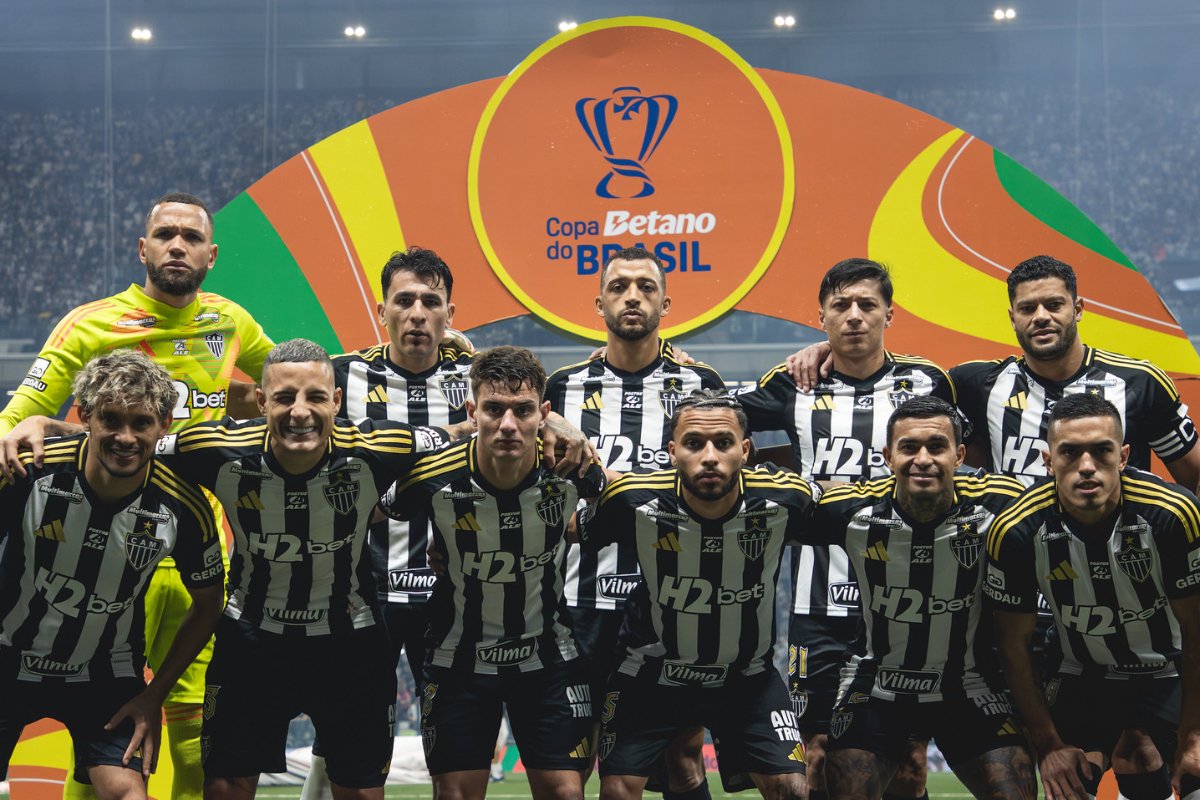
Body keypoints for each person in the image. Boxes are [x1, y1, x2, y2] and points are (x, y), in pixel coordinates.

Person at [0, 192, 273, 800]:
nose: (178, 245)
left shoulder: (232, 322)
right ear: (142, 248)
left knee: (194, 741)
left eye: (191, 237)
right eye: (166, 234)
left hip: (197, 549)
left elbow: (295, 383)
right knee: (101, 733)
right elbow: (15, 424)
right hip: (109, 563)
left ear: (211, 254)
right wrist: (40, 426)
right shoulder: (90, 323)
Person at [156, 338, 447, 799]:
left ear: (335, 401)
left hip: (350, 643)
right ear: (261, 401)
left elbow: (468, 445)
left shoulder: (380, 446)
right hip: (252, 641)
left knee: (360, 790)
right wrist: (36, 424)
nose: (300, 412)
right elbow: (120, 445)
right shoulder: (215, 447)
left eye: (314, 397)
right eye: (285, 397)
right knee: (226, 786)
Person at [735, 258, 953, 800]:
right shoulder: (793, 384)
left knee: (909, 764)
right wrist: (678, 364)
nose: (854, 316)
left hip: (910, 597)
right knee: (815, 756)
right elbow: (715, 417)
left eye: (867, 305)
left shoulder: (927, 381)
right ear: (822, 317)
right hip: (818, 605)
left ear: (889, 314)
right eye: (841, 306)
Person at [0, 351, 225, 799]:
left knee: (128, 793)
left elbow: (208, 603)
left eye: (141, 423)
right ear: (86, 418)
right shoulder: (29, 472)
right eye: (111, 420)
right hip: (7, 658)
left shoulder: (183, 505)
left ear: (163, 425)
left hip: (105, 676)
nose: (126, 437)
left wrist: (153, 694)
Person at [385, 346, 606, 800]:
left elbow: (625, 508)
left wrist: (579, 522)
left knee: (568, 794)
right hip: (457, 659)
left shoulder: (571, 469)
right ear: (472, 411)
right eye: (494, 409)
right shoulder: (431, 476)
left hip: (549, 657)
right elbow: (365, 513)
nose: (508, 425)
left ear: (543, 414)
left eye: (523, 410)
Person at [545, 246, 724, 800]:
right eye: (619, 286)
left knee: (681, 758)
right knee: (573, 761)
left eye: (645, 287)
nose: (632, 296)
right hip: (582, 602)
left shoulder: (700, 385)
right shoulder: (562, 389)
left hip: (674, 602)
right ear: (598, 301)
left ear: (666, 303)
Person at [574, 390, 810, 800]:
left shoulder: (786, 498)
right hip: (652, 674)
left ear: (745, 449)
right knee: (616, 791)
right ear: (671, 451)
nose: (710, 456)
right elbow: (565, 527)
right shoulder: (633, 500)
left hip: (747, 677)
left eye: (723, 442)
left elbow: (857, 511)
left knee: (791, 788)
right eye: (693, 443)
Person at [811, 396, 1034, 800]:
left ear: (960, 454)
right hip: (878, 682)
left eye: (937, 446)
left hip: (969, 685)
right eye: (909, 447)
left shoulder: (1002, 504)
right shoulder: (851, 510)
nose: (923, 459)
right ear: (887, 456)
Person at [985, 394, 1200, 800]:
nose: (1086, 466)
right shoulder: (1016, 529)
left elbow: (1197, 629)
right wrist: (1048, 745)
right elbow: (1014, 645)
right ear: (1048, 462)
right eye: (1070, 453)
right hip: (1082, 674)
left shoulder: (1173, 514)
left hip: (1170, 672)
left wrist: (1193, 736)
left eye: (1101, 451)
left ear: (1123, 456)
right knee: (1067, 785)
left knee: (1193, 779)